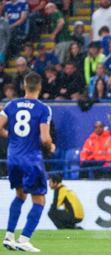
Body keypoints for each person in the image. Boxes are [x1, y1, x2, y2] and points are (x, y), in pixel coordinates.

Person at [1, 72, 55, 252]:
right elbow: (45, 138)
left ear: (24, 86)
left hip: (13, 159)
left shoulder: (11, 105)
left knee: (20, 195)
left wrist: (10, 136)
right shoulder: (43, 109)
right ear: (40, 88)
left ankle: (9, 236)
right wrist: (51, 147)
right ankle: (24, 239)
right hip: (31, 160)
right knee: (39, 200)